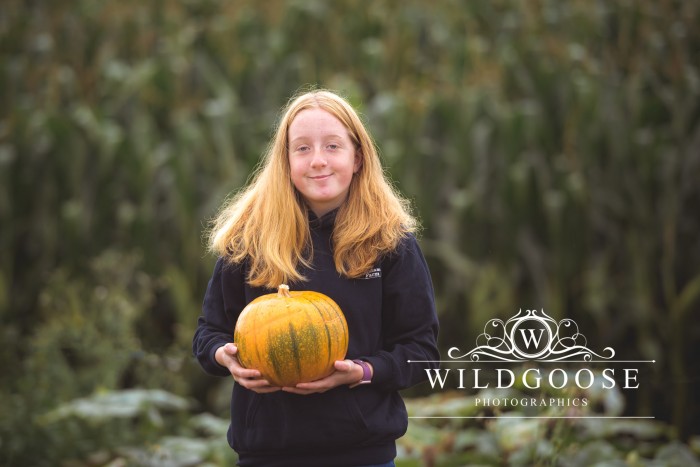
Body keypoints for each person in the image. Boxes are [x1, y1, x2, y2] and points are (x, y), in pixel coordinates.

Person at [193, 88, 440, 467]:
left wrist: (362, 372)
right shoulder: (249, 239)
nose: (318, 161)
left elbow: (421, 353)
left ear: (357, 158)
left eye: (333, 146)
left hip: (362, 454)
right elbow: (208, 333)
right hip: (267, 453)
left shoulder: (389, 241)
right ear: (286, 160)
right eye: (303, 148)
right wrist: (224, 356)